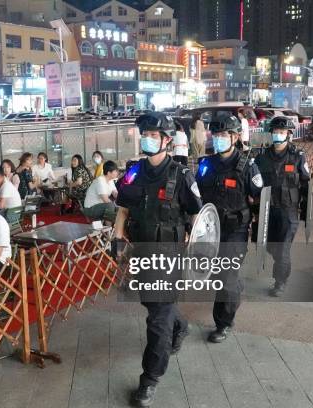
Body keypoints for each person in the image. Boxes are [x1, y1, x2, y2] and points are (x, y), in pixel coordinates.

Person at [114, 112, 202, 407]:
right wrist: (116, 237)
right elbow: (124, 207)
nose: (147, 139)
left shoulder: (182, 175)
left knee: (157, 320)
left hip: (169, 256)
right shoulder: (133, 172)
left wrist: (192, 242)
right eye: (145, 134)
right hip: (141, 251)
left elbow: (198, 215)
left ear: (167, 140)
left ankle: (149, 379)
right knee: (153, 305)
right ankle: (181, 325)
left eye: (153, 135)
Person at [195, 114, 263, 343]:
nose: (219, 139)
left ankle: (223, 323)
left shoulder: (247, 167)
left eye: (224, 135)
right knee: (218, 274)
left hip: (236, 230)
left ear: (235, 137)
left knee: (225, 277)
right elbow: (196, 198)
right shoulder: (206, 165)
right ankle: (234, 289)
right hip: (211, 231)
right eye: (216, 135)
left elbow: (260, 199)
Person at [254, 116, 310, 297]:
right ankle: (279, 265)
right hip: (267, 211)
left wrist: (305, 214)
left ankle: (280, 282)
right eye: (275, 132)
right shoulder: (261, 157)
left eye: (282, 132)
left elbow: (307, 185)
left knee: (283, 250)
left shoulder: (297, 157)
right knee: (270, 247)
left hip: (288, 211)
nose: (278, 135)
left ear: (289, 134)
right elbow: (254, 184)